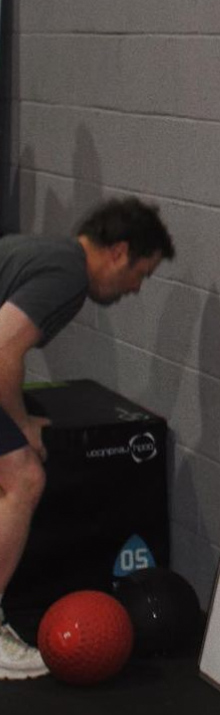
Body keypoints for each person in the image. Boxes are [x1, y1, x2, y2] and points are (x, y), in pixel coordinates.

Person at [0, 198, 175, 680]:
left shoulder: (45, 252)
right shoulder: (68, 275)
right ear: (118, 252)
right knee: (24, 479)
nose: (137, 288)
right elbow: (2, 350)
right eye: (142, 272)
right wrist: (22, 426)